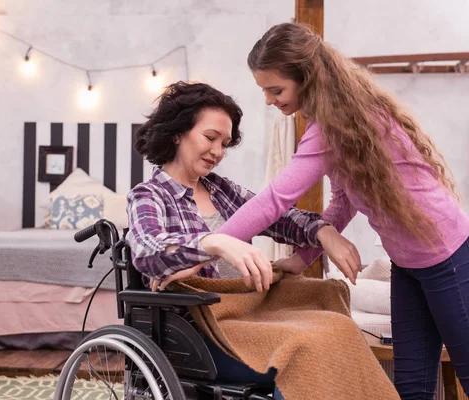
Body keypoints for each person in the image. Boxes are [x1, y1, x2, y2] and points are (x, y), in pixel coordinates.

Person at [213, 22, 469, 399]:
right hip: (409, 265)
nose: (268, 100)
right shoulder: (337, 121)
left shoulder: (335, 126)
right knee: (412, 387)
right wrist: (303, 259)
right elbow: (343, 202)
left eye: (275, 89)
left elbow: (275, 200)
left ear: (306, 77)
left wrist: (213, 241)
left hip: (446, 257)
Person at [125, 81, 360, 394]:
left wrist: (324, 231)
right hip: (206, 332)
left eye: (225, 143)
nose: (218, 152)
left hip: (249, 313)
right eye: (210, 138)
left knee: (336, 322)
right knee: (306, 348)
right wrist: (215, 242)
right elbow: (148, 253)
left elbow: (282, 217)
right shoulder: (148, 196)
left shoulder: (221, 190)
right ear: (177, 133)